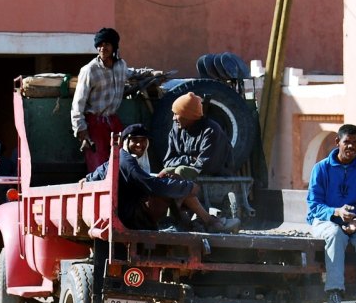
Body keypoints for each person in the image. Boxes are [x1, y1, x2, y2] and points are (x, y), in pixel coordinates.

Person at [83, 124, 239, 233]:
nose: (140, 144)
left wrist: (85, 180)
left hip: (127, 209)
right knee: (177, 184)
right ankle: (209, 221)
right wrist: (187, 187)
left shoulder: (118, 159)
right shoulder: (127, 161)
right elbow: (152, 186)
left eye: (143, 141)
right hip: (130, 216)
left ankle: (194, 222)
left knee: (170, 177)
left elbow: (95, 176)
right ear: (126, 142)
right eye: (135, 140)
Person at [307, 124, 356, 303]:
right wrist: (335, 212)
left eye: (355, 143)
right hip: (324, 221)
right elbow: (313, 205)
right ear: (337, 142)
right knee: (335, 235)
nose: (351, 147)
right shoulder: (321, 169)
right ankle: (334, 295)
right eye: (347, 142)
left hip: (353, 222)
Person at [70, 27, 129, 172]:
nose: (103, 48)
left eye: (107, 44)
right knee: (98, 167)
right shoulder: (89, 70)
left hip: (113, 122)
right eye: (100, 45)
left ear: (114, 47)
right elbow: (78, 103)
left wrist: (150, 74)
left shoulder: (121, 66)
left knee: (123, 161)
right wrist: (82, 130)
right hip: (94, 123)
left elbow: (131, 74)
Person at [161, 91, 234, 179]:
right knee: (165, 172)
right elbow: (167, 161)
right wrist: (190, 159)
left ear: (188, 115)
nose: (173, 118)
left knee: (181, 170)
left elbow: (206, 165)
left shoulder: (211, 130)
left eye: (176, 114)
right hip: (194, 169)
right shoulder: (176, 131)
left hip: (216, 174)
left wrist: (186, 164)